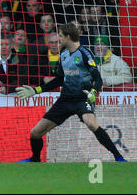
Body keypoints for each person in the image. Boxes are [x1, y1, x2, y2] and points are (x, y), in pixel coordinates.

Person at [16, 23, 126, 162]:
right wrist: (36, 90)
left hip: (82, 99)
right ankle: (35, 160)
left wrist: (93, 93)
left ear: (68, 37)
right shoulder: (63, 55)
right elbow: (59, 80)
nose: (58, 39)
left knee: (91, 124)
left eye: (60, 36)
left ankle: (119, 157)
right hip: (65, 100)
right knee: (36, 133)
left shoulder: (85, 53)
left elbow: (97, 78)